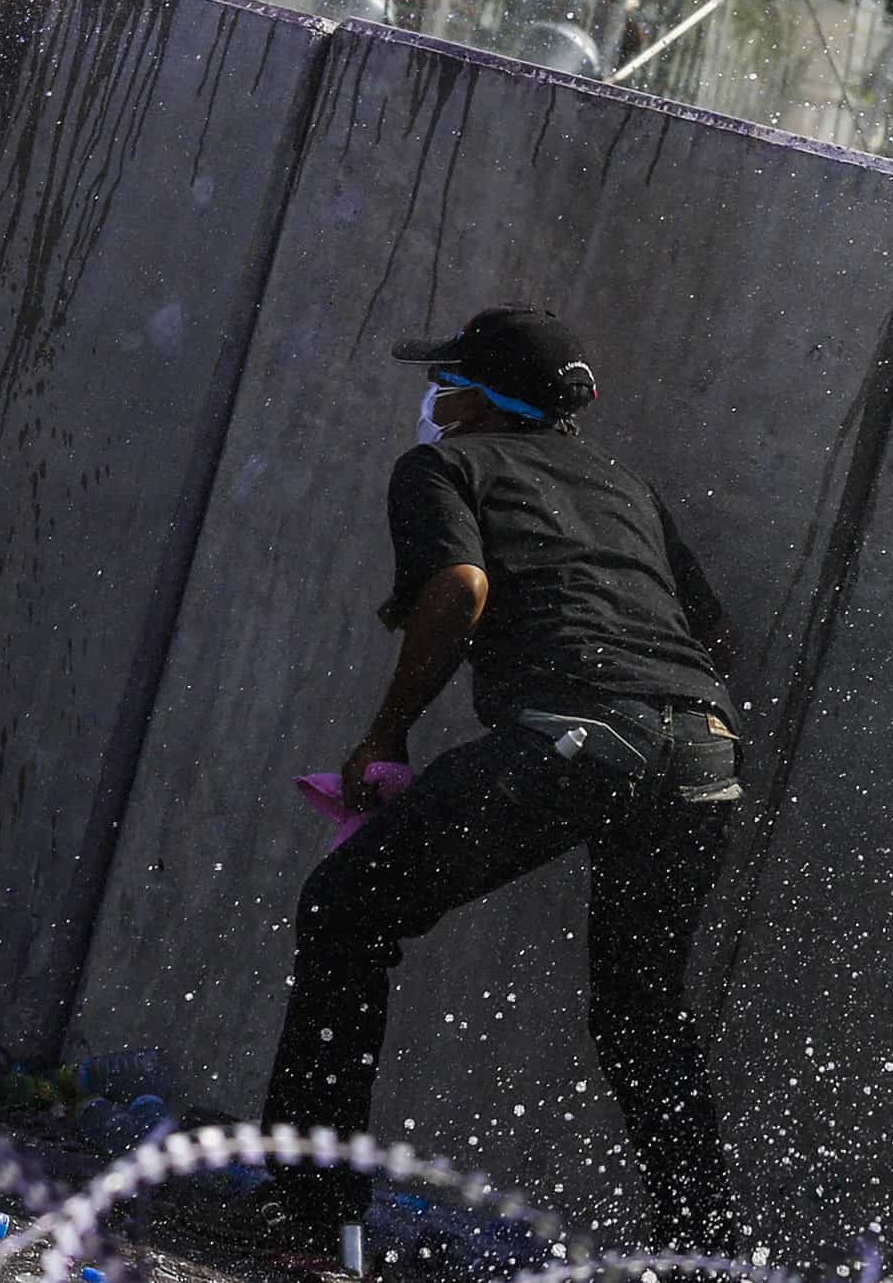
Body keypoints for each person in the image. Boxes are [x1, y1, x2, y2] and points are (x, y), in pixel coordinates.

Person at [229, 307, 742, 1268]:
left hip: (575, 733)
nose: (435, 395)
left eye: (448, 377)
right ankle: (705, 1253)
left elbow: (460, 587)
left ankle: (312, 1218)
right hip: (705, 748)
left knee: (344, 913)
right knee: (640, 1008)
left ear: (481, 398)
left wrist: (386, 734)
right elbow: (714, 638)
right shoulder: (626, 487)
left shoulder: (445, 468)